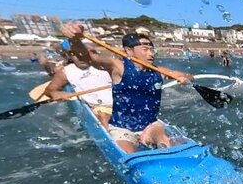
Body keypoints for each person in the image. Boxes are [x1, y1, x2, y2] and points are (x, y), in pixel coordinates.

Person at [61, 22, 193, 154]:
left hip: (150, 126)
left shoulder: (159, 71)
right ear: (129, 51)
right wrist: (75, 40)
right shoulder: (117, 66)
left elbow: (187, 75)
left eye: (152, 49)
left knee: (166, 142)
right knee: (129, 155)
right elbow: (88, 58)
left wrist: (185, 77)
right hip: (122, 129)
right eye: (145, 49)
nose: (150, 53)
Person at [43, 44, 113, 128]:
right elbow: (50, 90)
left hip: (117, 103)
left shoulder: (107, 64)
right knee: (103, 118)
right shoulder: (66, 72)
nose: (80, 58)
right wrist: (56, 93)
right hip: (96, 107)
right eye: (75, 55)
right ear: (70, 56)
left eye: (83, 54)